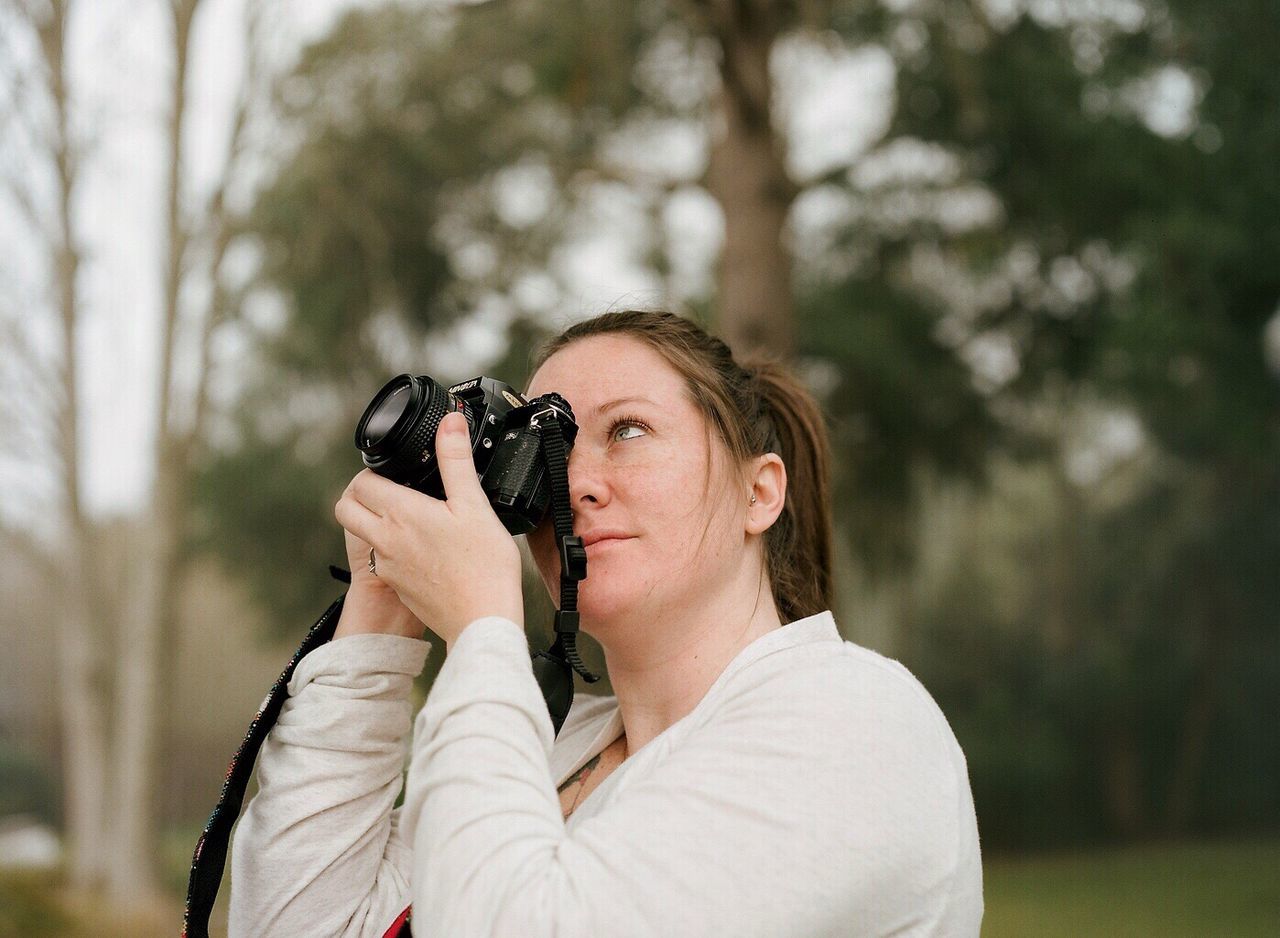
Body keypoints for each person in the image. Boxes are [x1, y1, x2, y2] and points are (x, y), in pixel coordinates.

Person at [229, 310, 983, 937]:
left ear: (760, 493)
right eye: (547, 449)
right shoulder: (552, 746)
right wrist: (377, 619)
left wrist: (483, 628)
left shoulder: (855, 721)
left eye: (627, 431)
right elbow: (299, 923)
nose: (577, 485)